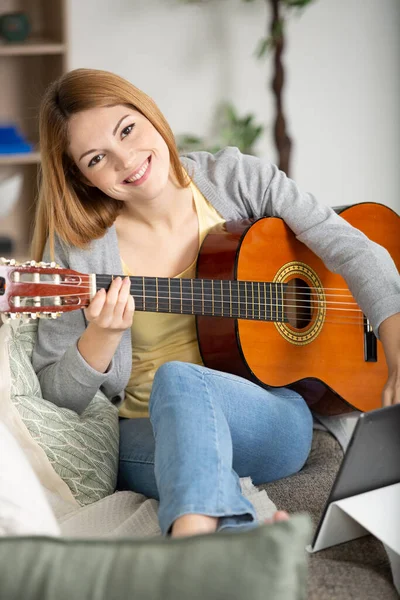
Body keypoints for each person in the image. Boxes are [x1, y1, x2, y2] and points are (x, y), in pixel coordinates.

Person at [30, 68, 400, 538]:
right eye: (97, 158)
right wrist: (98, 340)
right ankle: (206, 538)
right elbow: (54, 393)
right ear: (80, 177)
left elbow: (351, 245)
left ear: (148, 112)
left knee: (180, 379)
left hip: (270, 419)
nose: (127, 161)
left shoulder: (234, 178)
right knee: (177, 390)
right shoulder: (79, 251)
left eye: (127, 129)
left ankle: (199, 537)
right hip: (148, 432)